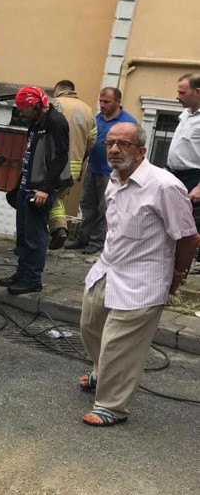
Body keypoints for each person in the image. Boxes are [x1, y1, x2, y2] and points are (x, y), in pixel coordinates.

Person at [79, 122, 199, 427]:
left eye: (124, 144)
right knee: (91, 325)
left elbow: (188, 236)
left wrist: (178, 274)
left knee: (121, 343)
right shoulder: (114, 177)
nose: (115, 149)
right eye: (110, 143)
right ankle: (100, 370)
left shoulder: (164, 186)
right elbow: (114, 218)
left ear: (141, 150)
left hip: (143, 277)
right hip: (109, 266)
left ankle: (111, 406)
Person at [0, 86, 71, 295]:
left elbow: (60, 157)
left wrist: (45, 189)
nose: (20, 113)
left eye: (23, 109)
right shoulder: (36, 121)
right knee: (23, 234)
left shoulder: (55, 122)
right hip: (27, 185)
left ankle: (32, 279)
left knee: (35, 236)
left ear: (35, 105)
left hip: (39, 189)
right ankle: (22, 272)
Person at [65, 87, 136, 254]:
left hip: (112, 173)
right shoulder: (96, 119)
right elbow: (88, 143)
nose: (102, 105)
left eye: (107, 102)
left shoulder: (127, 123)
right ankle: (83, 238)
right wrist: (82, 166)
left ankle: (96, 241)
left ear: (118, 102)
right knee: (87, 204)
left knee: (104, 209)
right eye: (101, 101)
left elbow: (133, 149)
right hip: (93, 168)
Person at [48, 80, 95, 249]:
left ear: (57, 90)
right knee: (58, 197)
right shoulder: (88, 110)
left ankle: (58, 228)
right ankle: (58, 229)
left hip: (51, 164)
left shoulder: (54, 104)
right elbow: (91, 141)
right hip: (74, 166)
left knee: (46, 196)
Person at [166, 73, 200, 236]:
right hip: (175, 176)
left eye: (182, 93)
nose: (177, 96)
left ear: (197, 92)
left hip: (194, 180)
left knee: (190, 232)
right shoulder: (187, 113)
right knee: (173, 224)